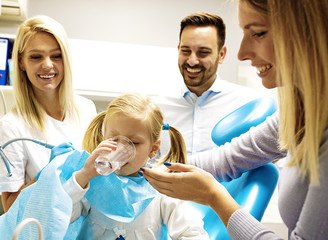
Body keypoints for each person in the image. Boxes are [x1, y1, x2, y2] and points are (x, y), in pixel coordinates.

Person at [141, 0, 328, 239]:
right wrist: (145, 167)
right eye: (185, 50)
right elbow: (228, 159)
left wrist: (213, 196)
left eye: (258, 33)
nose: (242, 53)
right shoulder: (299, 114)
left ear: (308, 31)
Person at [0, 93, 208, 240]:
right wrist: (84, 176)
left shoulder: (161, 190)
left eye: (133, 143)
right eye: (113, 139)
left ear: (153, 149)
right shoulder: (94, 184)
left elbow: (192, 233)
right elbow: (59, 217)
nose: (120, 149)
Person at [0, 15, 97, 212]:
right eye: (36, 57)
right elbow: (10, 207)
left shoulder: (86, 109)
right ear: (21, 62)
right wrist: (46, 176)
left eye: (56, 55)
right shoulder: (11, 127)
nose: (48, 65)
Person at [155, 12, 261, 157]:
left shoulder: (247, 104)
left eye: (203, 52)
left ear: (221, 54)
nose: (192, 61)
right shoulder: (157, 109)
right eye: (185, 51)